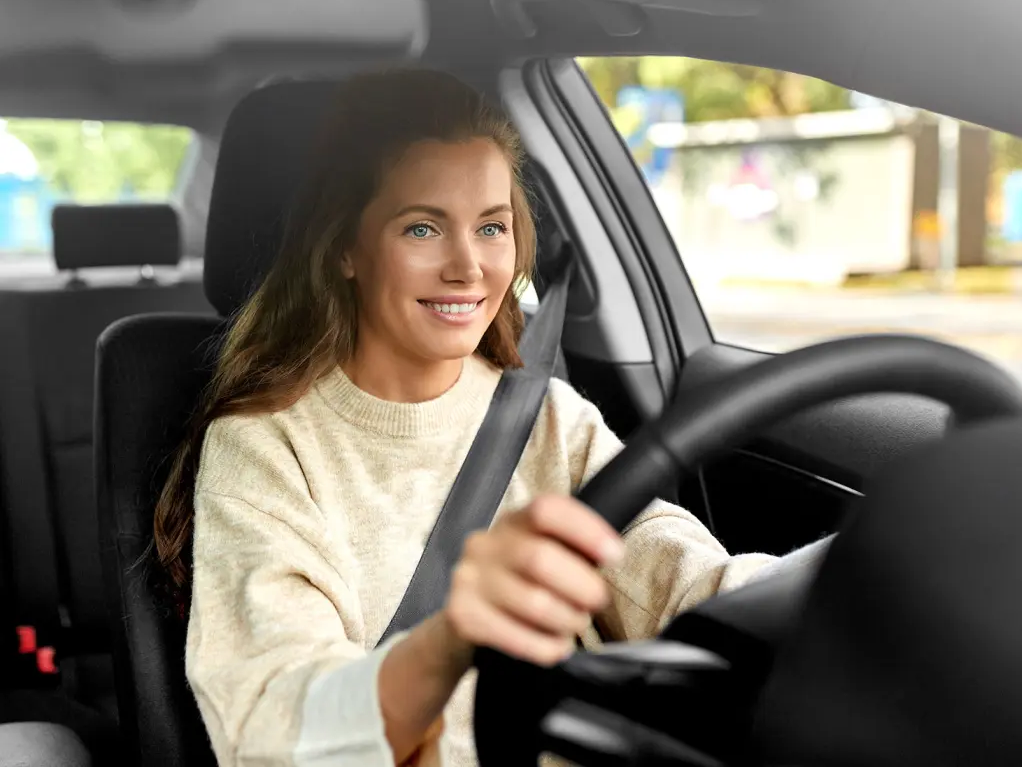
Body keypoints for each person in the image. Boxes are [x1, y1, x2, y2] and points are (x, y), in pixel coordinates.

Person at [152, 67, 823, 767]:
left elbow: (691, 585)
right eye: (422, 227)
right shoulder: (266, 447)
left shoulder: (547, 418)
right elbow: (273, 729)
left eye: (492, 227)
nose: (468, 267)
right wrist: (449, 640)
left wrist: (867, 569)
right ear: (346, 248)